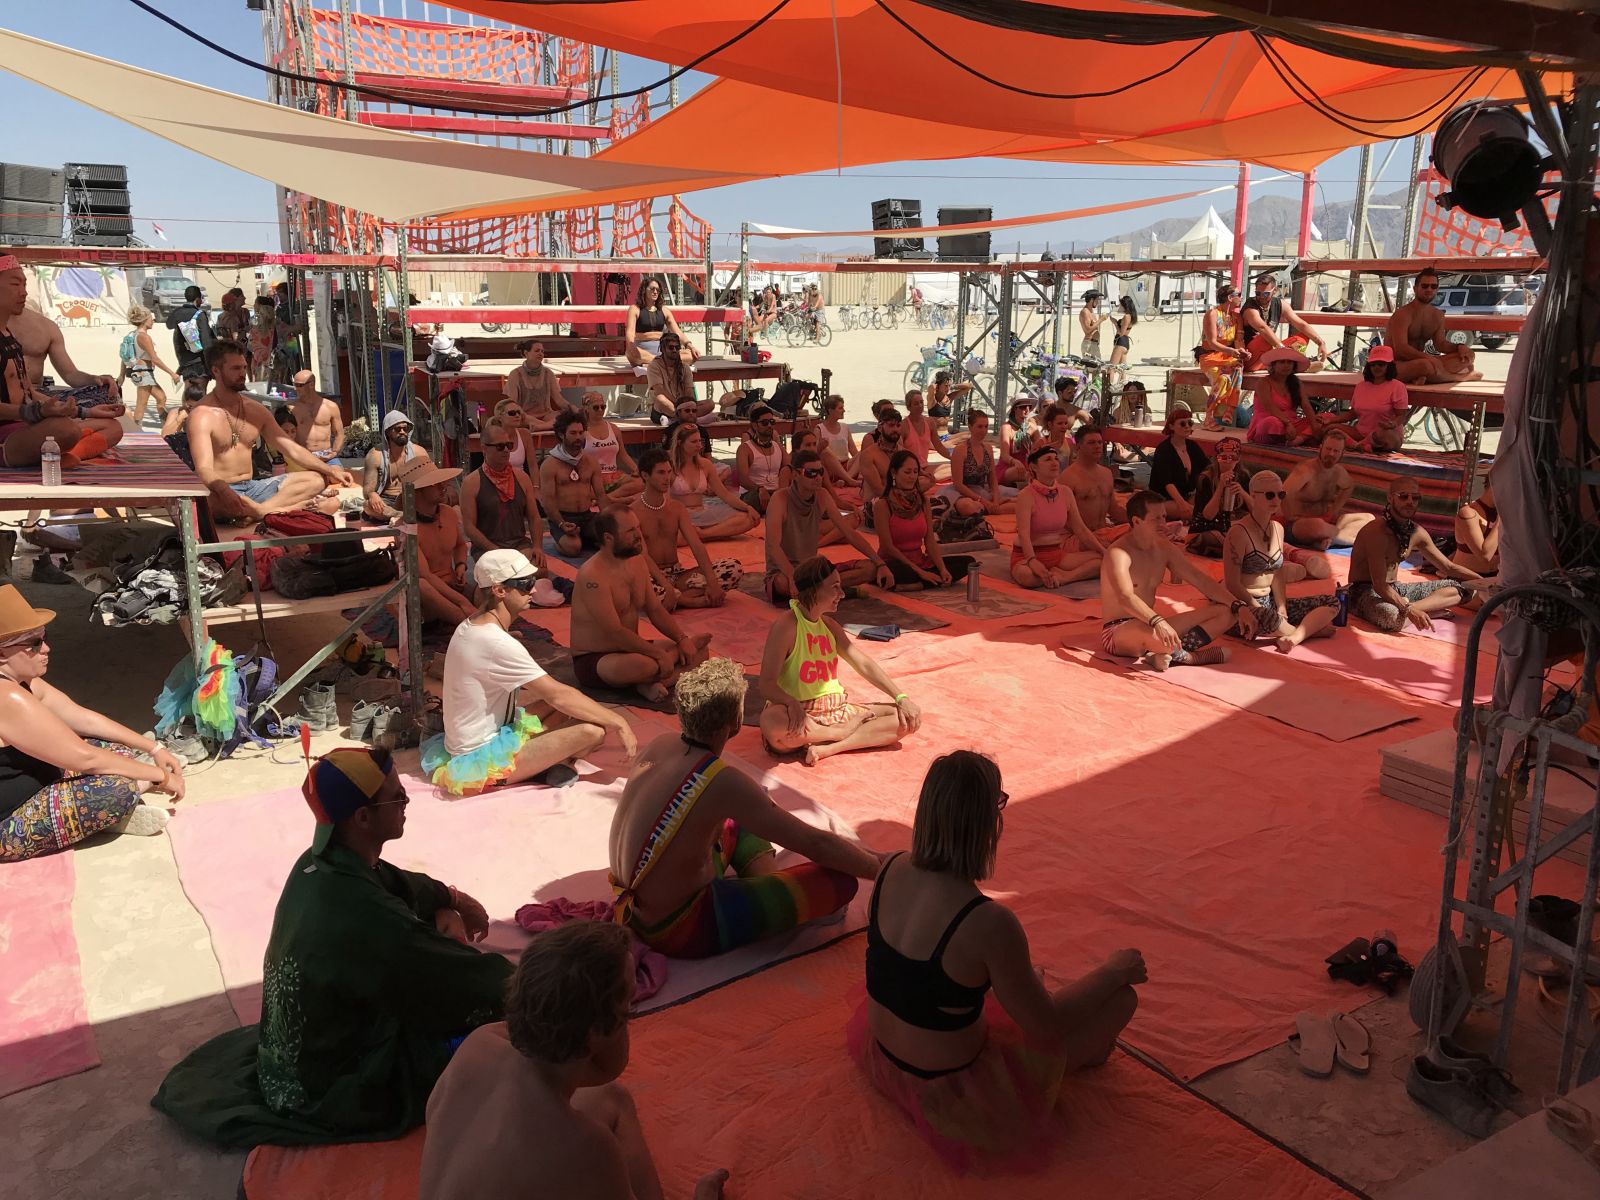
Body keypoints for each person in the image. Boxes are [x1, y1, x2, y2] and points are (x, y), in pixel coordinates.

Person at [152, 747, 512, 1147]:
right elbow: (471, 981)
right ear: (363, 817)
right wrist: (464, 944)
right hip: (337, 1087)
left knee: (435, 929)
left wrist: (451, 899)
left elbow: (395, 881)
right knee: (494, 1033)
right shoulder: (367, 914)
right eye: (396, 796)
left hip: (301, 1059)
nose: (407, 801)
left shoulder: (319, 862)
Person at [850, 750, 1145, 1174]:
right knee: (1121, 1000)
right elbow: (1047, 1025)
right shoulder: (989, 922)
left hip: (885, 1059)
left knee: (976, 987)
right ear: (989, 824)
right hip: (956, 1095)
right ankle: (1085, 1053)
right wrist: (1115, 969)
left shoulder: (889, 867)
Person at [420, 922, 731, 1200]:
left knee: (612, 1097)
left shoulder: (480, 1043)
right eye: (629, 1009)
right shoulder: (583, 1147)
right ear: (596, 1032)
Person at [610, 656, 879, 958]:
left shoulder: (661, 743)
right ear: (736, 722)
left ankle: (764, 889)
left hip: (634, 908)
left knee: (740, 817)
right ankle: (769, 899)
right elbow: (815, 843)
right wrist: (882, 868)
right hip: (679, 928)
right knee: (840, 881)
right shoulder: (722, 782)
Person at [422, 550, 637, 794]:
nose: (533, 590)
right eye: (525, 584)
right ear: (499, 590)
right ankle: (549, 766)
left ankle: (550, 764)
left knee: (575, 707)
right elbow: (558, 695)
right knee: (593, 731)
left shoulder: (473, 624)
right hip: (479, 760)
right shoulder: (496, 643)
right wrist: (619, 722)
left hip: (486, 737)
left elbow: (560, 697)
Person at [0, 585, 183, 861]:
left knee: (117, 752)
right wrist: (160, 776)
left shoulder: (21, 682)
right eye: (34, 644)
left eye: (44, 638)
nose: (46, 648)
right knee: (116, 788)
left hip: (40, 781)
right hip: (9, 822)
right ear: (2, 654)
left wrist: (154, 748)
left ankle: (110, 816)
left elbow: (81, 717)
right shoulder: (7, 696)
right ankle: (115, 812)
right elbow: (85, 759)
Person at [758, 556, 921, 764]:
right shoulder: (787, 626)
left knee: (905, 718)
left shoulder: (830, 626)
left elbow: (863, 663)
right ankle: (839, 734)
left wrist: (901, 697)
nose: (842, 594)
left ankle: (831, 746)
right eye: (835, 587)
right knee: (772, 722)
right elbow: (766, 684)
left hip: (837, 711)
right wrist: (791, 703)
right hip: (800, 715)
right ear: (815, 589)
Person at [188, 343, 353, 522]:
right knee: (208, 502)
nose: (243, 373)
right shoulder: (201, 415)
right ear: (216, 371)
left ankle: (261, 511)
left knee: (317, 480)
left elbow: (292, 448)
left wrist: (331, 471)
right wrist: (225, 491)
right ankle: (276, 509)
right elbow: (203, 470)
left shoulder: (255, 410)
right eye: (235, 368)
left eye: (244, 367)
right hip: (221, 492)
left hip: (253, 489)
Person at [1099, 490, 1256, 669]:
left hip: (1151, 624)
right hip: (1119, 631)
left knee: (1228, 612)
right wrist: (1158, 622)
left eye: (1164, 517)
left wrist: (1239, 605)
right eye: (1156, 519)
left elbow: (1199, 579)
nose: (1163, 524)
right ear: (1136, 521)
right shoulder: (1118, 553)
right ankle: (1190, 657)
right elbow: (1125, 597)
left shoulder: (1163, 547)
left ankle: (1163, 653)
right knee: (1151, 634)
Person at [571, 508, 711, 702]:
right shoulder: (592, 576)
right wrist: (661, 655)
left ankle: (649, 683)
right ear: (609, 538)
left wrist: (681, 639)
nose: (639, 535)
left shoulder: (637, 562)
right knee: (647, 665)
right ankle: (655, 671)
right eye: (631, 531)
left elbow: (655, 609)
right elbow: (615, 632)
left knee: (699, 652)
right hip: (597, 657)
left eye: (638, 527)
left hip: (632, 647)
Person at [1347, 479, 1488, 633]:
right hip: (1362, 592)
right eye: (1403, 496)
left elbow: (1448, 567)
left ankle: (1414, 611)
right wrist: (1408, 609)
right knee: (1392, 617)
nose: (1410, 502)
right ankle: (1416, 612)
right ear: (1390, 498)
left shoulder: (1416, 532)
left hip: (1395, 588)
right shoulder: (1376, 532)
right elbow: (1380, 585)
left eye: (1415, 498)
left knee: (1467, 589)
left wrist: (1484, 582)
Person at [1223, 472, 1339, 651]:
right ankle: (1308, 631)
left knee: (1332, 602)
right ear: (1253, 495)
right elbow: (1232, 584)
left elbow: (1277, 574)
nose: (1276, 500)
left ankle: (1294, 636)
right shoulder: (1238, 532)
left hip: (1269, 602)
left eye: (1281, 494)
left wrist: (1282, 606)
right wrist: (1257, 608)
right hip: (1242, 607)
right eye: (1270, 495)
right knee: (1270, 618)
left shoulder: (1278, 529)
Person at [764, 449, 895, 604]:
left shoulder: (822, 495)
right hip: (783, 572)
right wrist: (792, 576)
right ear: (795, 475)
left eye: (820, 472)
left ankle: (818, 590)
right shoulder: (780, 499)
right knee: (782, 583)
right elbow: (772, 546)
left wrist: (880, 563)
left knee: (870, 569)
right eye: (811, 473)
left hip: (811, 570)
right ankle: (829, 589)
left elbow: (849, 533)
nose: (818, 477)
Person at [0, 255, 91, 468]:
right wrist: (34, 412)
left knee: (111, 427)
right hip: (7, 431)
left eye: (24, 284)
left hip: (22, 424)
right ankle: (57, 455)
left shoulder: (8, 334)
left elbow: (28, 392)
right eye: (15, 284)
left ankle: (53, 455)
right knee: (65, 430)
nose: (24, 292)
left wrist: (81, 411)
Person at [632, 449, 744, 610]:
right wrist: (666, 586)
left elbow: (696, 545)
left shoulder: (676, 508)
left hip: (678, 575)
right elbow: (642, 556)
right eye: (661, 473)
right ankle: (687, 601)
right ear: (645, 475)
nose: (667, 478)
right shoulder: (633, 512)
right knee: (636, 584)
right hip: (650, 576)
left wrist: (712, 582)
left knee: (733, 568)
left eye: (669, 472)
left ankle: (675, 599)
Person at [874, 450, 975, 590]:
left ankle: (916, 585)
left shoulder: (923, 501)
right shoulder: (883, 505)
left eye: (915, 472)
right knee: (897, 572)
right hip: (896, 563)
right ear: (894, 473)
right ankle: (921, 582)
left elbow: (930, 541)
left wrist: (942, 569)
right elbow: (887, 547)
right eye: (907, 472)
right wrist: (920, 572)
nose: (912, 477)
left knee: (969, 563)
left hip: (920, 561)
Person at [1011, 446, 1105, 588]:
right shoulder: (1026, 495)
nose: (1054, 463)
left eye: (1056, 459)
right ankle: (1052, 575)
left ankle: (1064, 577)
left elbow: (1080, 529)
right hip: (1025, 556)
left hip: (1056, 554)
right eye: (1048, 459)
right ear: (1033, 467)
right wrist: (1032, 561)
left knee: (1104, 560)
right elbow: (1023, 534)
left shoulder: (1065, 492)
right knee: (1028, 577)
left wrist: (1103, 551)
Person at [398, 458, 475, 624]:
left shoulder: (448, 513)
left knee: (491, 584)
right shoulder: (405, 528)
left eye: (441, 481)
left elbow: (460, 545)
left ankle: (479, 623)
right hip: (430, 596)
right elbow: (424, 575)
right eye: (434, 483)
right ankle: (476, 626)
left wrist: (461, 565)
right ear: (417, 491)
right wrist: (462, 602)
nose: (442, 486)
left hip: (453, 584)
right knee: (420, 585)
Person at [462, 418, 545, 560]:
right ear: (484, 448)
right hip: (487, 549)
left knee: (539, 569)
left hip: (519, 545)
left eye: (509, 445)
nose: (506, 450)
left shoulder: (522, 478)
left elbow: (534, 517)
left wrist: (537, 547)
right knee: (504, 572)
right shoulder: (471, 483)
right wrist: (495, 550)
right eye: (500, 446)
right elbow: (469, 528)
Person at [1283, 427, 1375, 549]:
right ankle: (1339, 537)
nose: (1331, 454)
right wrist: (1289, 516)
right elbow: (1282, 493)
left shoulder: (1338, 472)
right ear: (1320, 448)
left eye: (1336, 451)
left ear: (1342, 453)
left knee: (1369, 519)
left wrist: (1334, 510)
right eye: (1328, 449)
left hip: (1326, 522)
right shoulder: (1306, 470)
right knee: (1318, 526)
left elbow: (1349, 486)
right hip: (1301, 525)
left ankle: (1329, 540)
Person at [1386, 269, 1481, 383]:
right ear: (1415, 289)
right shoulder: (1402, 314)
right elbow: (1400, 349)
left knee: (1468, 357)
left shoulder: (1437, 315)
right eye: (1425, 286)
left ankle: (1422, 377)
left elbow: (1440, 344)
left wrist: (1460, 347)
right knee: (1425, 366)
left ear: (1437, 289)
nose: (1429, 289)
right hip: (1395, 364)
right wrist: (1429, 358)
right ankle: (1459, 377)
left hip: (1423, 361)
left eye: (1433, 286)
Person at [666, 423, 759, 540]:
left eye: (700, 441)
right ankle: (711, 533)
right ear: (680, 443)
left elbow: (725, 494)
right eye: (694, 442)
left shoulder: (705, 464)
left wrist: (748, 507)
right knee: (672, 536)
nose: (699, 446)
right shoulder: (669, 466)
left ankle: (703, 535)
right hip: (680, 515)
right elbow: (664, 500)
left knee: (748, 519)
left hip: (703, 511)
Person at [540, 410, 606, 557]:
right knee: (573, 548)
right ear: (561, 434)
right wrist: (561, 524)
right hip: (563, 517)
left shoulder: (591, 462)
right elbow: (548, 502)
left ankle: (586, 538)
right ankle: (565, 541)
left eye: (581, 433)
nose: (578, 437)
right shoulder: (549, 465)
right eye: (573, 433)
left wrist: (608, 521)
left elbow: (601, 495)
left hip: (587, 516)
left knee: (614, 540)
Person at [1240, 271, 1327, 368]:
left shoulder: (1280, 304)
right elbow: (1263, 328)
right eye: (1258, 293)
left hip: (1270, 354)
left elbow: (1301, 324)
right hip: (1251, 357)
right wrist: (1282, 350)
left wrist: (1320, 343)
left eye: (1265, 294)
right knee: (1265, 338)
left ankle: (1289, 364)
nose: (1261, 297)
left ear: (1274, 291)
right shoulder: (1250, 308)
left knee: (1302, 338)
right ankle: (1291, 364)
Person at [1185, 434, 1249, 555]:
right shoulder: (1206, 478)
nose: (1228, 462)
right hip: (1204, 530)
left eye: (1233, 457)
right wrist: (1220, 487)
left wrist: (1242, 492)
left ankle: (1236, 548)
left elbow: (1256, 511)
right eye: (1224, 457)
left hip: (1228, 529)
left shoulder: (1242, 476)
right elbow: (1208, 515)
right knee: (1224, 541)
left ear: (1239, 459)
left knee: (1245, 537)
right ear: (1217, 458)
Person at [363, 409, 431, 521]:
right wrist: (372, 495)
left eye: (405, 429)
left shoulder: (419, 452)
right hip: (386, 501)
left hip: (412, 498)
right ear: (388, 432)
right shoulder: (375, 455)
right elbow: (367, 490)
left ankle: (401, 515)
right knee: (367, 506)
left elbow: (432, 480)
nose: (402, 432)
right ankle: (403, 515)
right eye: (398, 429)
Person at [941, 410, 1013, 516]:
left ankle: (993, 508)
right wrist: (983, 501)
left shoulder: (988, 448)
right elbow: (958, 485)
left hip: (983, 489)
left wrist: (996, 500)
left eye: (986, 426)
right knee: (968, 507)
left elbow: (992, 480)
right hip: (963, 492)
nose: (984, 430)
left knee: (1020, 497)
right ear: (970, 427)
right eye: (979, 427)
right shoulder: (960, 450)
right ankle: (991, 508)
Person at [120, 304, 180, 426]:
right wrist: (172, 373)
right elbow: (155, 359)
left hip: (142, 372)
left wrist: (121, 375)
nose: (153, 321)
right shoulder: (143, 337)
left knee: (161, 397)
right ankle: (136, 430)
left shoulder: (133, 335)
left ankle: (166, 425)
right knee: (142, 404)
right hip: (143, 373)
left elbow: (124, 357)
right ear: (144, 320)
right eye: (151, 318)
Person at [1248, 346, 1320, 446]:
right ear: (1274, 365)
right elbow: (1269, 407)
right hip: (1268, 425)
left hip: (1292, 426)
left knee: (1325, 418)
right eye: (1282, 362)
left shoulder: (1296, 383)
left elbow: (1306, 405)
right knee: (1273, 423)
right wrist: (1287, 423)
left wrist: (1314, 425)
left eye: (1289, 362)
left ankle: (1300, 439)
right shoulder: (1263, 382)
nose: (1286, 365)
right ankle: (1303, 438)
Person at [1059, 425, 1121, 537]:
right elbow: (1061, 517)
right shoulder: (1068, 477)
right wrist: (1089, 539)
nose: (1097, 446)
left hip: (1104, 531)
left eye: (1100, 442)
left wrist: (1139, 521)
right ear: (1078, 446)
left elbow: (1113, 509)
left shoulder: (1107, 473)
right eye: (1091, 443)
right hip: (1079, 537)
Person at [1199, 283, 1246, 429]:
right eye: (1239, 295)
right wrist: (1232, 351)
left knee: (1238, 366)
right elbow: (1212, 343)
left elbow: (1238, 341)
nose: (1241, 298)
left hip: (1226, 356)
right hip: (1210, 357)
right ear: (1230, 298)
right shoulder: (1212, 314)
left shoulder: (1237, 317)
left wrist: (1242, 351)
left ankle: (1230, 409)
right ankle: (1209, 416)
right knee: (1223, 379)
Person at [1147, 408, 1209, 520]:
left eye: (1190, 423)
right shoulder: (1164, 449)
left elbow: (1208, 468)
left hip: (1187, 496)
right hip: (1163, 499)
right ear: (1171, 427)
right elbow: (1167, 483)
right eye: (1182, 423)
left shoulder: (1192, 446)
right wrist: (1183, 504)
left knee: (1208, 508)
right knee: (1196, 514)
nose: (1187, 426)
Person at [580, 390, 643, 501]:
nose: (600, 410)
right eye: (596, 407)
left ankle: (608, 498)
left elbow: (623, 455)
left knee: (641, 483)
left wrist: (637, 470)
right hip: (592, 478)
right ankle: (613, 498)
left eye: (603, 407)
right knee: (580, 491)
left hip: (614, 475)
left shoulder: (614, 429)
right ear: (587, 409)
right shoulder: (581, 431)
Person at [1347, 345, 1410, 453]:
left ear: (1389, 366)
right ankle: (1361, 445)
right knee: (1331, 429)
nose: (1376, 367)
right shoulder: (1360, 386)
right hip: (1360, 433)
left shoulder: (1398, 386)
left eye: (1381, 364)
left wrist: (1392, 424)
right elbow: (1353, 414)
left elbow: (1401, 415)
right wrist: (1331, 420)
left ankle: (1356, 444)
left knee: (1381, 435)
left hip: (1386, 435)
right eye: (1373, 364)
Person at [625, 277, 696, 368]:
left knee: (691, 355)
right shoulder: (635, 309)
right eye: (652, 289)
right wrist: (631, 346)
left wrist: (689, 345)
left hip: (663, 350)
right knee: (631, 354)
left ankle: (656, 362)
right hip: (642, 351)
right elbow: (630, 332)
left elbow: (677, 332)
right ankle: (663, 361)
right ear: (644, 290)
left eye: (658, 290)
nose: (655, 292)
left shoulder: (664, 310)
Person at [287, 370, 345, 467]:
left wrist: (334, 452)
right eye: (294, 384)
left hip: (327, 456)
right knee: (313, 477)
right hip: (304, 456)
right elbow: (285, 435)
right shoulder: (291, 408)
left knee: (338, 475)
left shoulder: (331, 406)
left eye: (299, 385)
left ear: (311, 385)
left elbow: (339, 434)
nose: (295, 388)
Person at [736, 405, 787, 514]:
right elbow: (743, 479)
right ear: (754, 425)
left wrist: (781, 491)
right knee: (754, 500)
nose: (769, 425)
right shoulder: (745, 449)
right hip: (754, 493)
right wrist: (760, 489)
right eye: (765, 423)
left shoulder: (779, 447)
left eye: (772, 422)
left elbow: (789, 470)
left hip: (776, 492)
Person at [504, 339, 564, 431]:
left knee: (563, 416)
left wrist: (572, 409)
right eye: (537, 351)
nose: (540, 353)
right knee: (520, 418)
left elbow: (559, 399)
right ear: (526, 353)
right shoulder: (515, 374)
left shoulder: (548, 373)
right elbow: (513, 403)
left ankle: (541, 427)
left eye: (542, 351)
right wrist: (525, 416)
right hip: (525, 417)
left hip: (546, 416)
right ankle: (547, 426)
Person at [164, 284, 216, 384]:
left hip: (184, 361)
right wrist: (210, 362)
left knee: (189, 390)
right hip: (199, 361)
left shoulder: (178, 312)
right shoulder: (200, 315)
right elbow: (206, 341)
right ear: (197, 299)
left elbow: (169, 325)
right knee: (200, 390)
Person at [645, 330, 696, 422]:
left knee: (709, 404)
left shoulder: (685, 367)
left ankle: (678, 419)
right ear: (662, 349)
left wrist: (685, 406)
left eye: (677, 347)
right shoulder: (654, 366)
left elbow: (688, 393)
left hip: (683, 408)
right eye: (671, 347)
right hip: (663, 408)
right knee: (660, 399)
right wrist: (678, 405)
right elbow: (660, 392)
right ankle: (686, 418)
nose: (674, 350)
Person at [901, 387, 950, 475]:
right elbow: (899, 453)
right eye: (916, 403)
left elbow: (938, 446)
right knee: (949, 473)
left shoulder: (929, 422)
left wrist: (953, 458)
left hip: (924, 467)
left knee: (953, 467)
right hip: (910, 470)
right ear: (909, 407)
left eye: (921, 402)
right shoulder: (903, 426)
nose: (920, 405)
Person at [1454, 484, 1500, 578]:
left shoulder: (1500, 513)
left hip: (1493, 577)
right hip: (1465, 579)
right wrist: (1502, 519)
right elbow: (1485, 556)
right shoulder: (1468, 513)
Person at [999, 396, 1037, 485]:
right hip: (1009, 467)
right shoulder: (1006, 427)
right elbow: (1004, 455)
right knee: (1019, 472)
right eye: (1023, 407)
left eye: (1029, 407)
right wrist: (1015, 462)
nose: (1027, 410)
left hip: (1027, 466)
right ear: (1015, 409)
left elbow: (1041, 446)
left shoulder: (1031, 427)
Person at [818, 393, 858, 470]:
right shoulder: (819, 429)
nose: (844, 410)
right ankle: (848, 476)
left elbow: (854, 451)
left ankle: (848, 475)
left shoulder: (845, 427)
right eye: (840, 408)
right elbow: (816, 453)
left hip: (846, 464)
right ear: (830, 410)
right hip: (830, 467)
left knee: (864, 453)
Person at [1108, 294, 1138, 378]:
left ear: (1124, 306)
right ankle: (1123, 384)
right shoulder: (1131, 316)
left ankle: (1108, 384)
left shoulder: (1126, 317)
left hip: (1121, 343)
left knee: (1111, 368)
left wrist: (1115, 323)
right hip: (1125, 342)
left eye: (1121, 305)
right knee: (1122, 369)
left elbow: (1121, 333)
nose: (1119, 306)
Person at [1077, 290, 1107, 360]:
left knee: (1098, 365)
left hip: (1094, 344)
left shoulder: (1091, 311)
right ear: (1091, 300)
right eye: (1097, 300)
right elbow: (1088, 330)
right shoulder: (1085, 312)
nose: (1098, 302)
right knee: (1092, 365)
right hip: (1089, 344)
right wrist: (1100, 320)